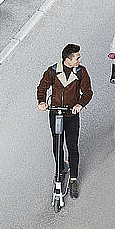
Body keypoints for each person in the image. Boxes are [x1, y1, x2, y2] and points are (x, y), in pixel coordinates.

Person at [37, 44, 93, 198]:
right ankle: (60, 169)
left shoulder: (81, 72)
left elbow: (87, 92)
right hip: (56, 114)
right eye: (77, 58)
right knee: (57, 145)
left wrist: (79, 104)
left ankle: (74, 178)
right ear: (68, 60)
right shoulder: (53, 71)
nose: (79, 60)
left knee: (72, 146)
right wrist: (41, 102)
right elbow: (42, 87)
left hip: (71, 115)